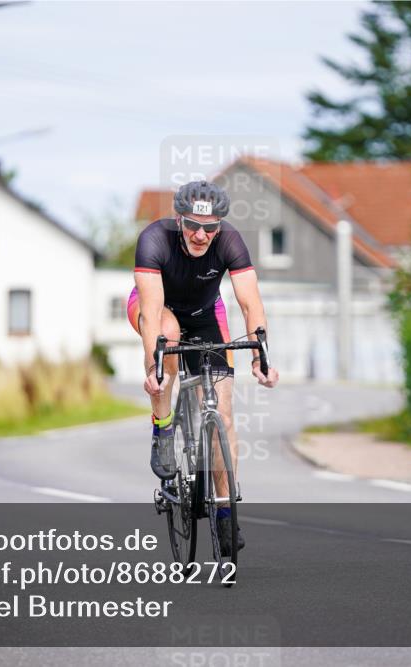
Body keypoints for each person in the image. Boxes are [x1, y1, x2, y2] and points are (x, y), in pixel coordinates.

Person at [126, 180, 279, 555]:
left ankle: (226, 511)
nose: (201, 234)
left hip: (207, 316)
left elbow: (249, 303)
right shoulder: (154, 240)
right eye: (193, 225)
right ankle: (163, 427)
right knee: (169, 335)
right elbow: (150, 311)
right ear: (178, 219)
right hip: (158, 313)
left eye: (210, 227)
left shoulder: (229, 241)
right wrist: (154, 369)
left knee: (223, 416)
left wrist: (260, 356)